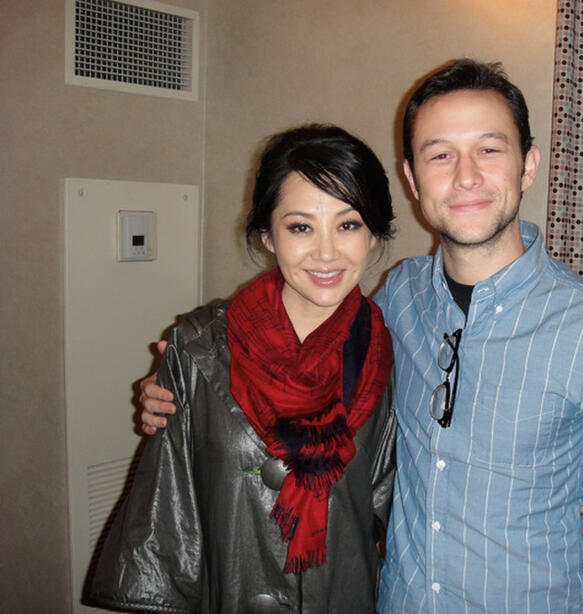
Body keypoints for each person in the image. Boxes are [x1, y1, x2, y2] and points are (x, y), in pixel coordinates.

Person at [141, 60, 583, 613]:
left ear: (528, 164)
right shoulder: (398, 297)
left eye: (489, 149)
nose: (466, 176)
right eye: (440, 154)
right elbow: (304, 345)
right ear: (414, 179)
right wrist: (185, 375)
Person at [89, 124, 397, 614]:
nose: (325, 252)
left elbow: (392, 502)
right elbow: (166, 522)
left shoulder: (386, 352)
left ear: (374, 234)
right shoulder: (200, 348)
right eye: (300, 227)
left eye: (348, 224)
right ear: (266, 235)